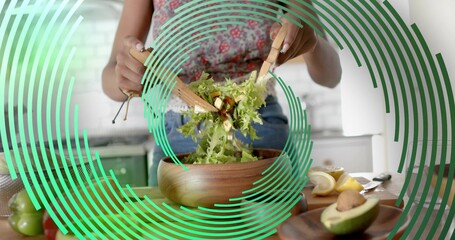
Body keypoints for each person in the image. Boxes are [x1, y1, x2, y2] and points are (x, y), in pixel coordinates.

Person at [102, 0, 342, 186]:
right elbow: (109, 78)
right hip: (178, 140)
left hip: (263, 134)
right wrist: (125, 76)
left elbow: (331, 75)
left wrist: (312, 43)